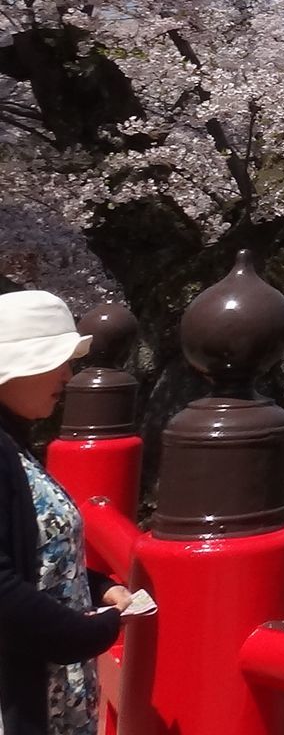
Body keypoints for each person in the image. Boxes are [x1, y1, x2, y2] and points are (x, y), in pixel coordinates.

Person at [0, 290, 136, 734]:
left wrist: (96, 588)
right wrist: (94, 632)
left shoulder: (14, 444)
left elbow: (32, 552)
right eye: (56, 360)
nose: (68, 374)